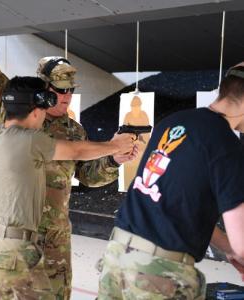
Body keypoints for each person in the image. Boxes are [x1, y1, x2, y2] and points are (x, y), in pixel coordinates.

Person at [0, 9, 138, 299]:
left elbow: (87, 175)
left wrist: (113, 160)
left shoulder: (75, 130)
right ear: (42, 88)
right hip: (13, 232)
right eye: (59, 89)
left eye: (70, 90)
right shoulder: (15, 113)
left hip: (53, 237)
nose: (66, 96)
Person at [0, 76, 134, 299]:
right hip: (14, 252)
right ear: (37, 109)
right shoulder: (29, 140)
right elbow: (76, 151)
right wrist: (116, 145)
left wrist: (112, 158)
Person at [97, 63, 244, 299]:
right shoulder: (226, 144)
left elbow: (176, 206)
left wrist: (228, 248)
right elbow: (242, 243)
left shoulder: (173, 122)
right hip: (158, 275)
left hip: (117, 258)